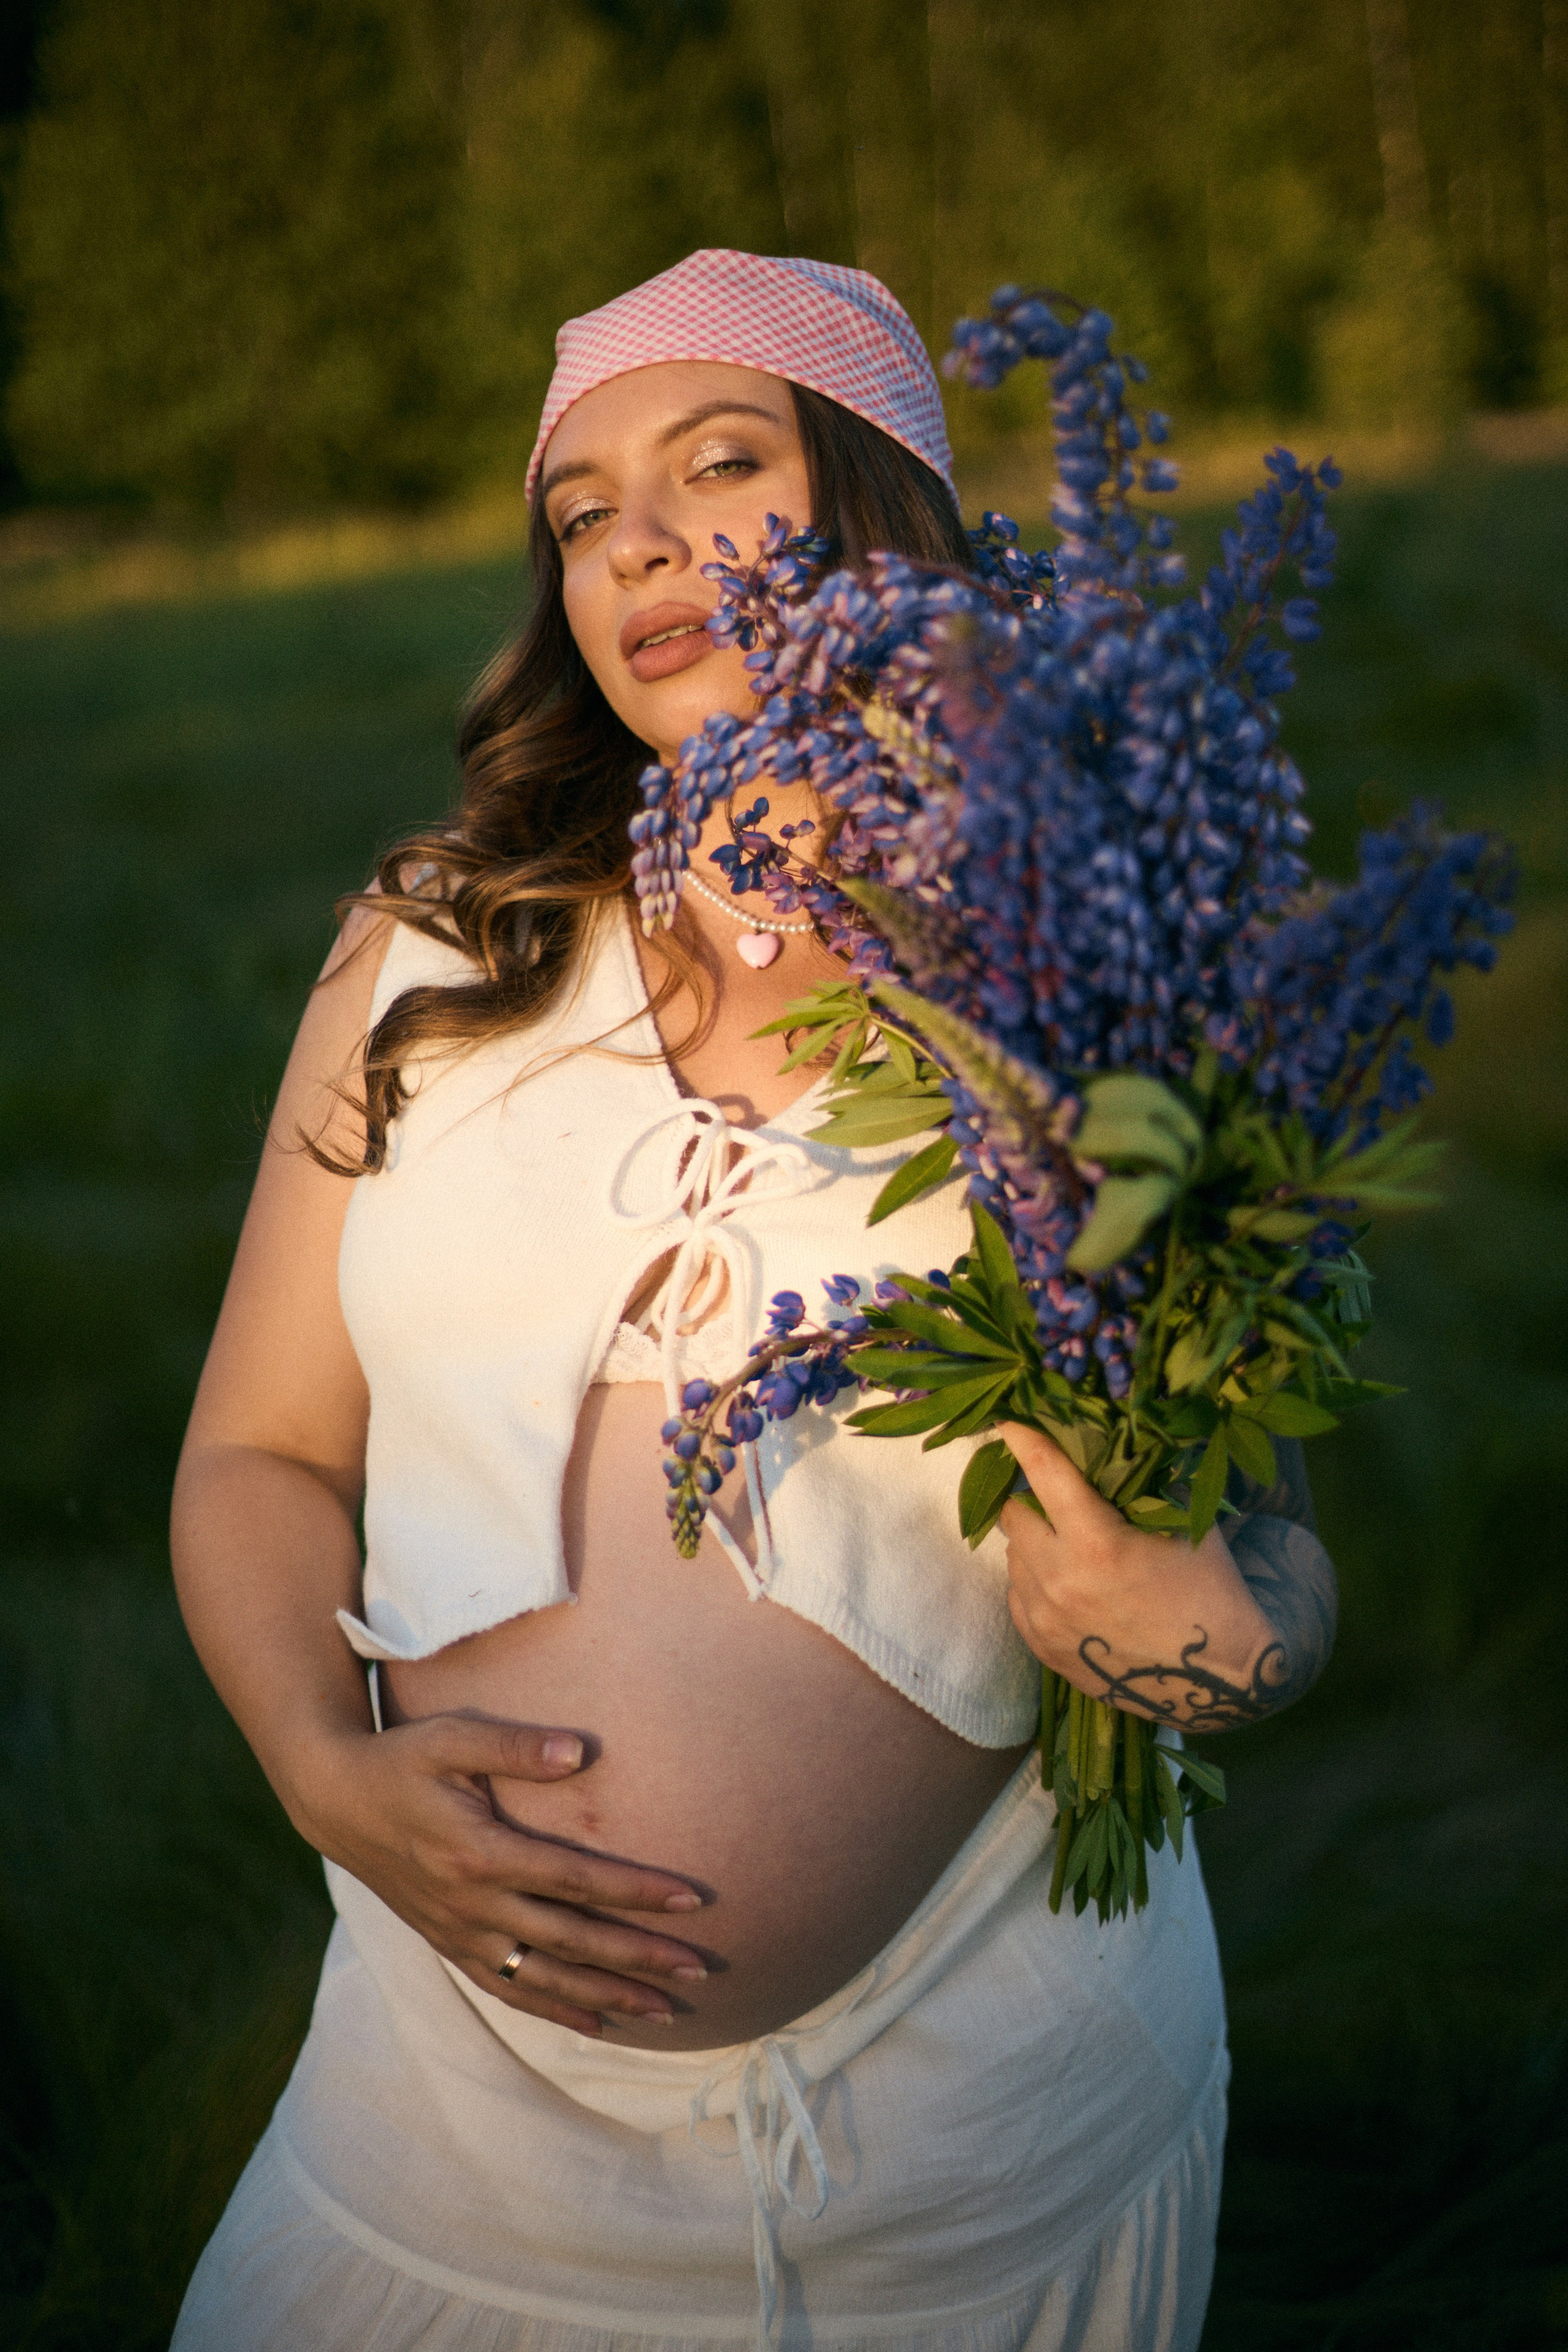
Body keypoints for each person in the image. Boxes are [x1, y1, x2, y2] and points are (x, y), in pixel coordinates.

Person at [169, 249, 1338, 2352]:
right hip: (446, 2164)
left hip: (982, 2189)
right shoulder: (431, 955)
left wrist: (1224, 1647)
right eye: (587, 510)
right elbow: (259, 1452)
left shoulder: (1095, 972)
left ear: (884, 517)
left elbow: (1267, 1550)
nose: (646, 544)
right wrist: (319, 1774)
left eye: (725, 461)